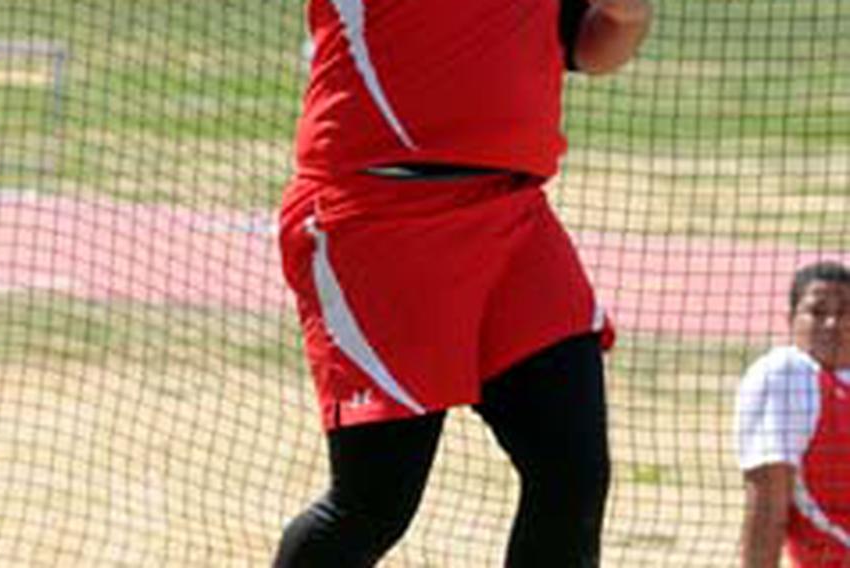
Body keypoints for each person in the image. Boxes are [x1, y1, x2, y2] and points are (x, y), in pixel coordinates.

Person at [273, 0, 652, 566]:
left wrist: (628, 16)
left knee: (570, 470)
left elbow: (588, 47)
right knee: (374, 504)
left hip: (511, 216)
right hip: (377, 216)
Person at [735, 261, 850, 567]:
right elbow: (767, 509)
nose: (832, 324)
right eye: (817, 312)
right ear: (790, 319)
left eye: (844, 313)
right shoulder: (789, 377)